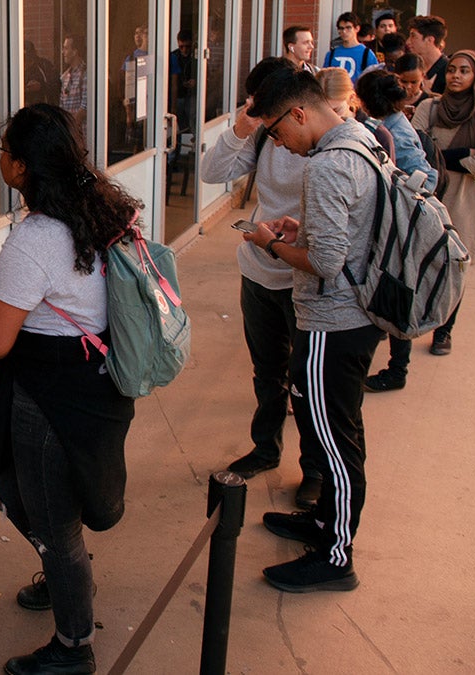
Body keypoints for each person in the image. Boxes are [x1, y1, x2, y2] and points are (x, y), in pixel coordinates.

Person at [0, 103, 140, 673]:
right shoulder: (103, 206)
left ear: (23, 167)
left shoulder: (35, 239)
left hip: (50, 398)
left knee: (50, 519)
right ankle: (63, 571)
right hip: (101, 384)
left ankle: (74, 646)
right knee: (32, 502)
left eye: (3, 151)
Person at [243, 67, 383, 593]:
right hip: (358, 311)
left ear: (299, 112)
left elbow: (325, 263)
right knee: (335, 429)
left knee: (333, 441)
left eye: (278, 132)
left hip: (335, 319)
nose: (281, 144)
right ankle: (324, 522)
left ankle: (336, 556)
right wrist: (304, 229)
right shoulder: (358, 139)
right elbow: (349, 231)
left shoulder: (327, 165)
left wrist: (270, 243)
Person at [199, 57, 324, 508]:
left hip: (302, 278)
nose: (274, 132)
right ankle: (266, 448)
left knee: (307, 380)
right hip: (259, 270)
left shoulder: (322, 143)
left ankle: (315, 470)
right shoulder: (265, 136)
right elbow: (212, 173)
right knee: (267, 371)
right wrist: (241, 128)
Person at [410, 50, 475, 355]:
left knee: (455, 265)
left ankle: (443, 330)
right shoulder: (430, 106)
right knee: (420, 261)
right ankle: (410, 319)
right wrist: (463, 154)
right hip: (432, 197)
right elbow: (416, 152)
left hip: (467, 201)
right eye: (452, 69)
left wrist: (438, 153)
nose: (456, 76)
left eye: (465, 71)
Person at [354, 70, 440, 394]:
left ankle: (397, 369)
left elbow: (424, 179)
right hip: (398, 224)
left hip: (403, 227)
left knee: (396, 296)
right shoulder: (391, 123)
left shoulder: (395, 132)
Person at [317, 67, 395, 156]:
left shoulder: (379, 135)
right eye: (321, 112)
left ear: (351, 98)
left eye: (336, 110)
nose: (329, 119)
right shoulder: (312, 134)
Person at [323, 12, 378, 83]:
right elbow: (324, 78)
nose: (344, 31)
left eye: (348, 28)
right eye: (341, 28)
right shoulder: (331, 54)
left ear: (357, 28)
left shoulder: (367, 54)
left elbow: (374, 80)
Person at [405, 16, 449, 95]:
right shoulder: (413, 66)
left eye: (413, 36)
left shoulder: (448, 70)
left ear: (430, 40)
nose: (408, 42)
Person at [170, 29, 198, 131]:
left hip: (192, 94)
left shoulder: (197, 56)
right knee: (180, 122)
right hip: (179, 94)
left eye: (187, 46)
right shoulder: (173, 56)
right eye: (181, 47)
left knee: (193, 119)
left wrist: (196, 81)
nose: (184, 50)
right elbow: (172, 81)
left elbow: (206, 74)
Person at [60, 34, 88, 135]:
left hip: (81, 135)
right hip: (69, 135)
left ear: (75, 51)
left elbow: (85, 108)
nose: (63, 52)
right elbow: (62, 106)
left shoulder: (85, 74)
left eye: (66, 48)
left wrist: (69, 130)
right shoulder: (65, 76)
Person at [24, 40, 60, 106]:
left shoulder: (44, 66)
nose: (26, 63)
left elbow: (57, 85)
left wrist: (41, 86)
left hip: (43, 108)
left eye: (28, 58)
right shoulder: (16, 70)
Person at [395, 54, 431, 118]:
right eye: (404, 81)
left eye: (414, 82)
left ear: (423, 76)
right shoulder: (388, 100)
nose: (408, 86)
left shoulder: (429, 102)